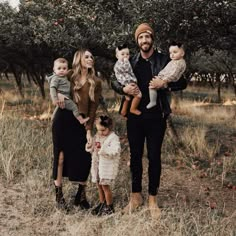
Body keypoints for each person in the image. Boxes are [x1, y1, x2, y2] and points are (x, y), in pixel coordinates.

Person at [111, 23, 187, 219]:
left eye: (147, 36)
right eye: (141, 37)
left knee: (154, 156)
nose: (144, 40)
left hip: (156, 117)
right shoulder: (130, 60)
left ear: (152, 38)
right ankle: (135, 196)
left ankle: (152, 198)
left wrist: (166, 83)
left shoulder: (164, 59)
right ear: (137, 41)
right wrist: (123, 89)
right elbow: (114, 79)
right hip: (135, 117)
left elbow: (183, 81)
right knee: (135, 156)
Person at [52, 49, 102, 211]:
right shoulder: (69, 74)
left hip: (81, 122)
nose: (90, 59)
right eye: (86, 56)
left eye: (91, 56)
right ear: (79, 59)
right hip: (63, 119)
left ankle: (80, 196)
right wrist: (57, 96)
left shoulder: (96, 81)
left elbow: (93, 108)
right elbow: (53, 80)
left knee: (84, 158)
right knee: (60, 158)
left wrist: (89, 130)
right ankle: (59, 196)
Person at [85, 115, 121, 216]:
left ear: (109, 128)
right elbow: (93, 148)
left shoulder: (113, 138)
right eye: (98, 130)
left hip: (106, 167)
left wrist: (103, 150)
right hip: (97, 165)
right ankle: (102, 204)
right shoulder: (98, 135)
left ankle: (110, 207)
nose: (100, 133)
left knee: (105, 186)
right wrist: (89, 146)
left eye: (103, 130)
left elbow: (115, 151)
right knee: (99, 185)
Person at [47, 57, 90, 124]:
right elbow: (52, 88)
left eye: (64, 68)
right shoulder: (56, 78)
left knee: (58, 107)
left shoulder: (65, 77)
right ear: (54, 70)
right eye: (59, 68)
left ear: (67, 69)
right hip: (64, 98)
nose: (61, 70)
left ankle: (53, 118)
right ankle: (80, 119)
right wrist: (55, 99)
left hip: (66, 97)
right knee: (74, 107)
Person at [146, 42, 186, 109]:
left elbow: (174, 74)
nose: (172, 55)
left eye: (175, 52)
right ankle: (153, 101)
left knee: (152, 86)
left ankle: (153, 102)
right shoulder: (173, 61)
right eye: (170, 53)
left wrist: (164, 81)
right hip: (163, 78)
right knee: (152, 86)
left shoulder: (179, 63)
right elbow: (166, 70)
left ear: (182, 53)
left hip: (167, 80)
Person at [114, 44, 142, 116]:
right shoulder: (121, 64)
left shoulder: (119, 63)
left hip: (125, 83)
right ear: (117, 56)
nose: (125, 56)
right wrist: (126, 61)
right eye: (122, 54)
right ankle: (133, 109)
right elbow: (127, 69)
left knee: (128, 97)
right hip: (128, 82)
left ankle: (123, 111)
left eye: (127, 54)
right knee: (138, 95)